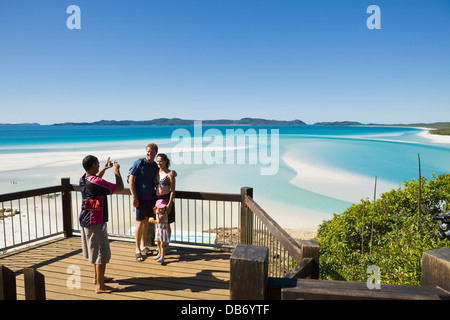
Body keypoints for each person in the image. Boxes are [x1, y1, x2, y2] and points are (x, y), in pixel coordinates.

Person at [79, 155, 124, 293]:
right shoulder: (95, 182)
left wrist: (104, 169)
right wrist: (116, 171)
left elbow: (95, 179)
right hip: (95, 221)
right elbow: (120, 188)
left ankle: (98, 278)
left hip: (86, 219)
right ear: (92, 166)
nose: (99, 166)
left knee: (94, 250)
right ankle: (100, 286)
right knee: (101, 251)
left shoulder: (83, 179)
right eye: (98, 164)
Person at [129, 143, 158, 261]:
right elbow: (131, 180)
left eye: (152, 152)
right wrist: (134, 197)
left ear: (155, 153)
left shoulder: (155, 165)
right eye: (148, 151)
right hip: (140, 198)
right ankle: (137, 249)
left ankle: (143, 245)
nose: (149, 154)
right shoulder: (139, 163)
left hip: (150, 198)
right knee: (139, 223)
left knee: (146, 222)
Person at [155, 153, 177, 247]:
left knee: (167, 224)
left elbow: (172, 191)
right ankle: (160, 246)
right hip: (157, 200)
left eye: (161, 161)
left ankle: (166, 245)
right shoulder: (156, 172)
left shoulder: (170, 174)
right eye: (158, 161)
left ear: (165, 161)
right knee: (159, 223)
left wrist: (169, 204)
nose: (159, 163)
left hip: (166, 199)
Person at [150, 199, 170, 264]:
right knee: (158, 243)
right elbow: (157, 222)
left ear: (165, 208)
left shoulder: (164, 215)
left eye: (162, 208)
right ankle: (159, 253)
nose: (161, 210)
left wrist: (156, 214)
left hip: (163, 231)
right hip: (159, 230)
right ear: (157, 208)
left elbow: (159, 221)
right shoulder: (159, 215)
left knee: (162, 245)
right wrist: (152, 221)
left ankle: (162, 257)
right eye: (159, 208)